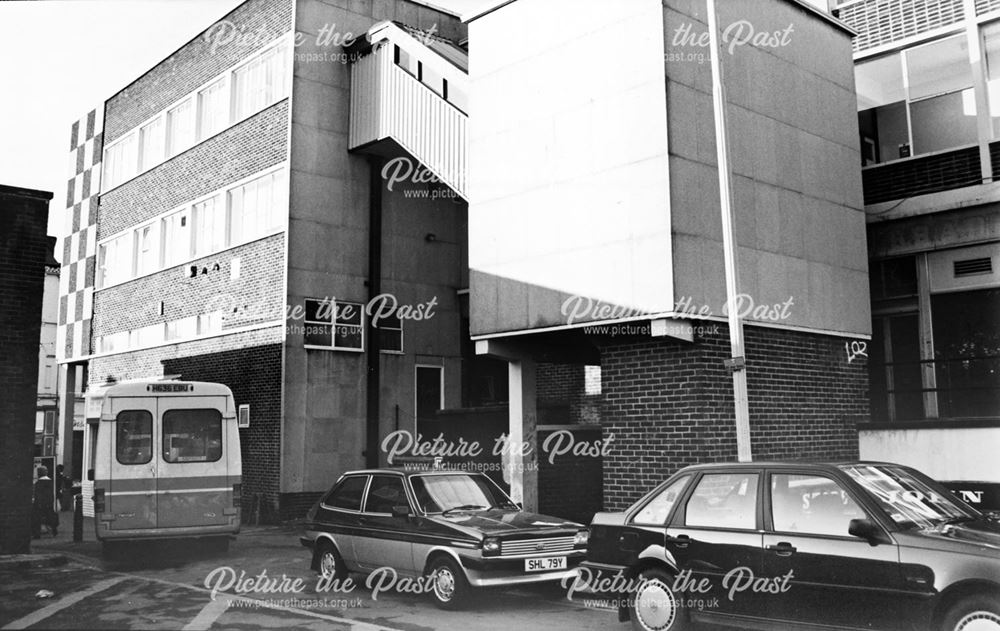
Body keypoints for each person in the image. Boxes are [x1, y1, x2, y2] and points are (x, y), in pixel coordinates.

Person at [32, 467, 58, 538]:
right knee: (50, 516)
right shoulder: (50, 482)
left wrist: (37, 502)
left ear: (39, 473)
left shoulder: (38, 483)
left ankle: (36, 534)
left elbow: (38, 494)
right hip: (49, 502)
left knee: (36, 518)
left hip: (39, 503)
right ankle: (54, 530)